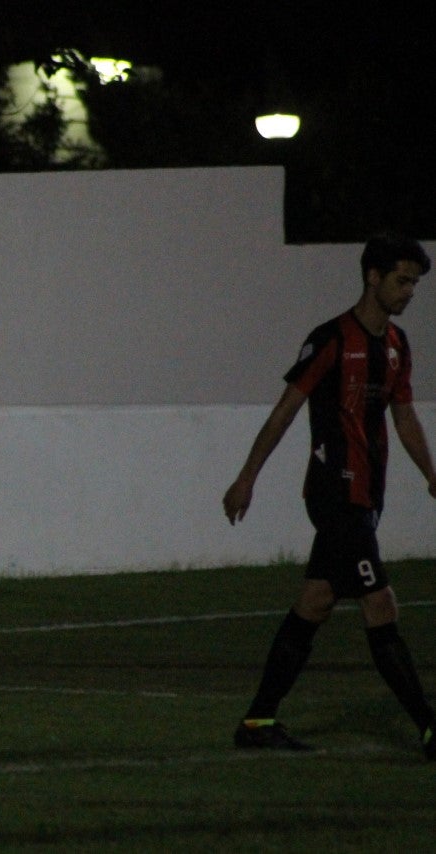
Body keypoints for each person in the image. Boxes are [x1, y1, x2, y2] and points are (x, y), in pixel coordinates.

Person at [223, 233, 436, 757]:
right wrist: (247, 477)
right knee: (380, 602)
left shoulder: (397, 345)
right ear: (372, 276)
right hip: (334, 492)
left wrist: (431, 474)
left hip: (367, 494)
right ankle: (430, 728)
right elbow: (286, 410)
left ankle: (257, 722)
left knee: (316, 601)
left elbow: (404, 415)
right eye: (402, 281)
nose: (409, 292)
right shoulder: (331, 340)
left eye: (414, 283)